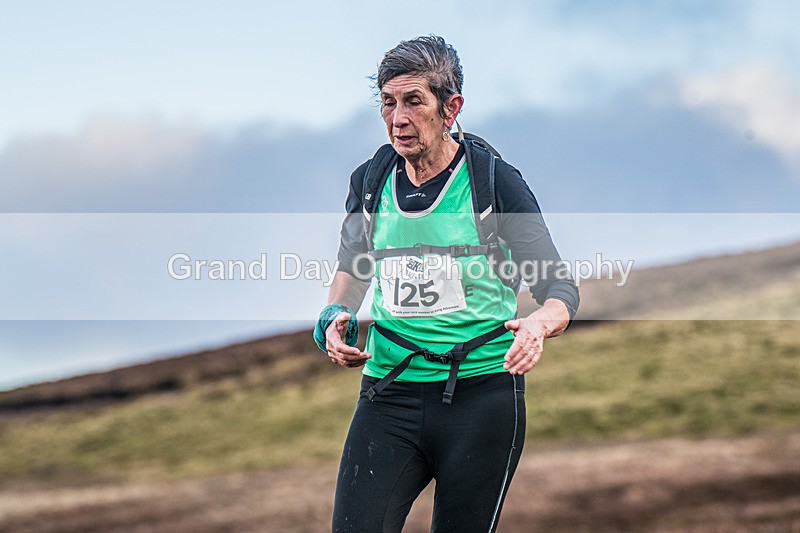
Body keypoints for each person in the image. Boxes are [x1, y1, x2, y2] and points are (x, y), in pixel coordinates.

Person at [314, 35, 579, 532]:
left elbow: (559, 290)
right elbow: (353, 267)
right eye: (388, 103)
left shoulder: (494, 183)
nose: (398, 119)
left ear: (451, 107)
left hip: (482, 398)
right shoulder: (369, 182)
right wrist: (332, 318)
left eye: (414, 102)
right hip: (388, 394)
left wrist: (538, 326)